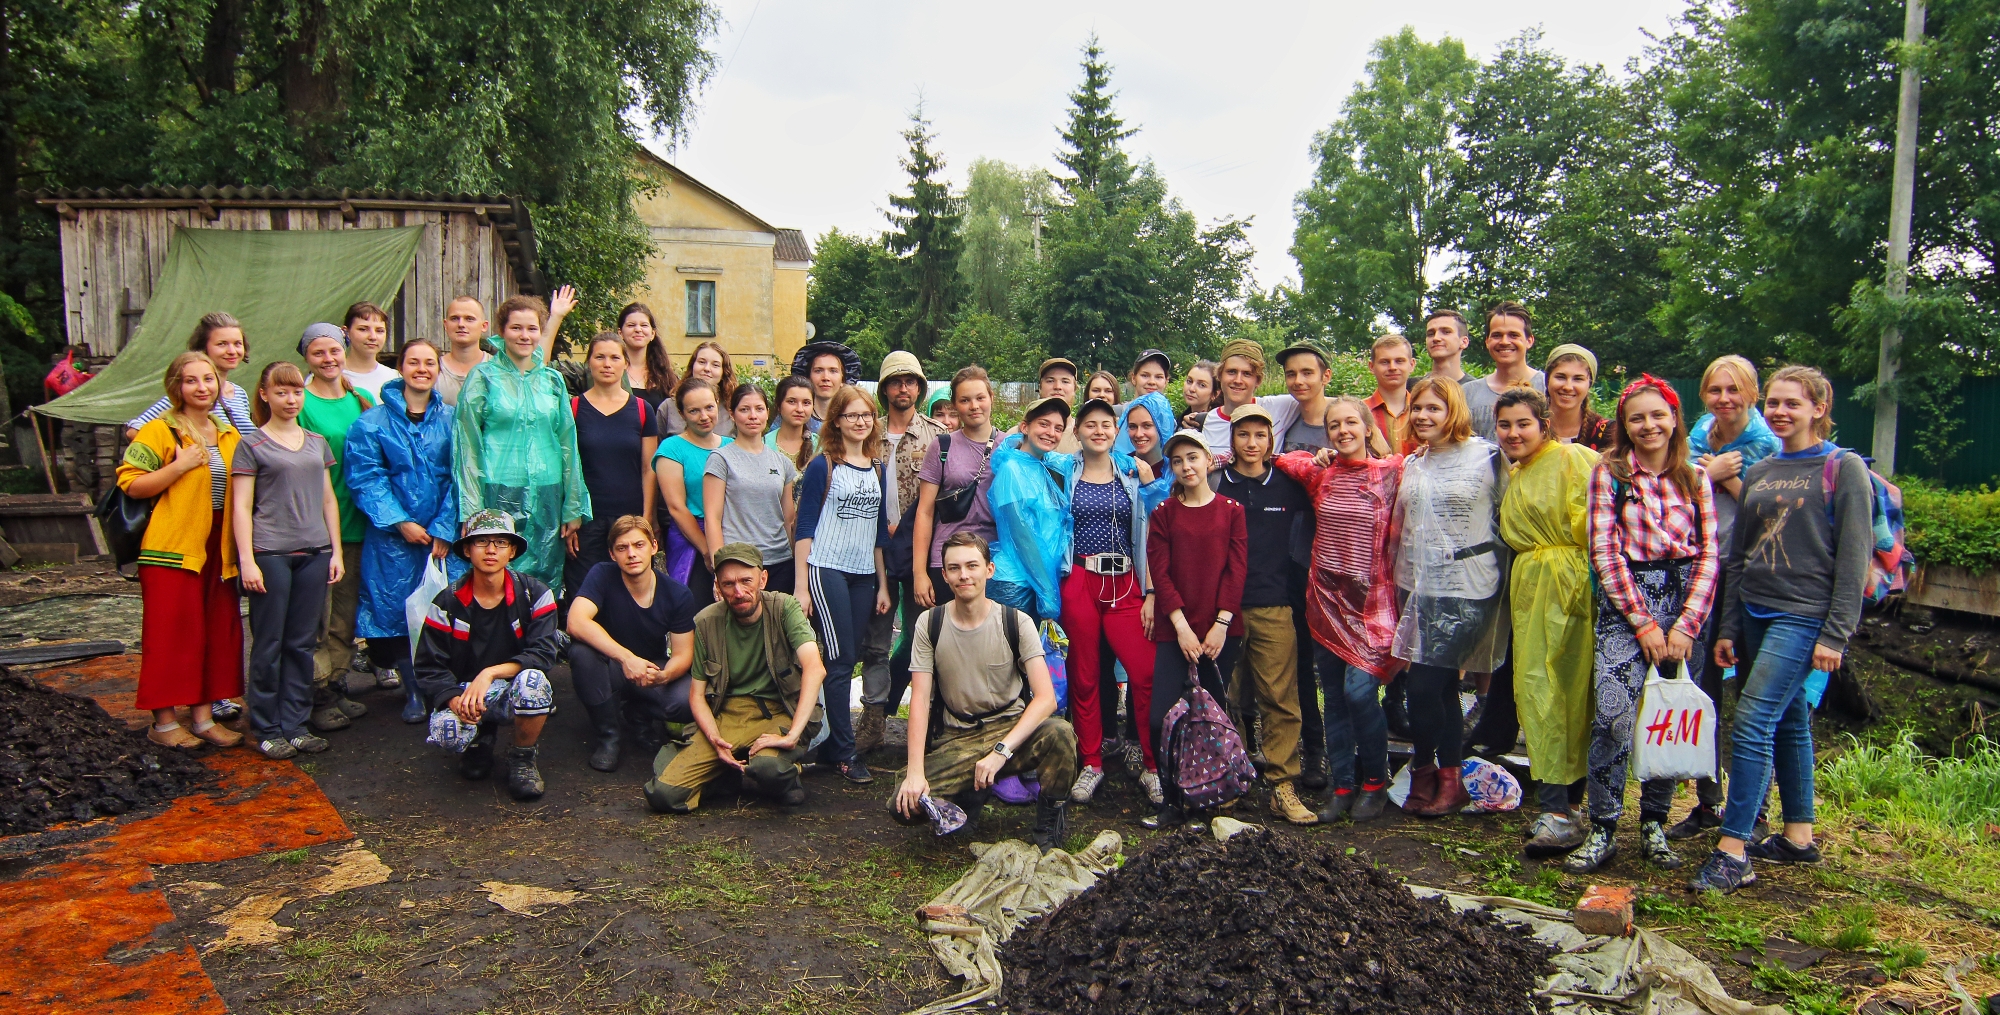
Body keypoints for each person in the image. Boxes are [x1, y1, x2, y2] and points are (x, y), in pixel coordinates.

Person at [1690, 366, 1868, 894]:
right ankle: (1797, 836)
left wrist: (1836, 634)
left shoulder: (1843, 467)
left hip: (1803, 614)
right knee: (1789, 723)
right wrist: (1729, 625)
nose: (1780, 411)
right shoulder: (1763, 469)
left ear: (1818, 407)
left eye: (1793, 402)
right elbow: (1741, 556)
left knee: (1749, 722)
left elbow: (1854, 558)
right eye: (1773, 402)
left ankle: (1734, 847)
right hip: (1756, 614)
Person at [1563, 375, 1720, 874]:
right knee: (1613, 715)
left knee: (1666, 715)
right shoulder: (1610, 475)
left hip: (1684, 601)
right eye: (1637, 418)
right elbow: (1604, 552)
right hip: (1626, 600)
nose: (1649, 425)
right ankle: (1604, 824)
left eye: (1658, 415)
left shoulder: (1697, 478)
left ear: (1674, 418)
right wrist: (1642, 623)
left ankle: (1653, 821)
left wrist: (1686, 625)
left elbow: (1711, 553)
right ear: (1625, 426)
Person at [890, 533, 1078, 849]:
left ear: (989, 570)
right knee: (903, 804)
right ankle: (968, 800)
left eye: (972, 566)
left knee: (1060, 735)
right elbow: (920, 701)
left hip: (1014, 732)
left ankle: (1048, 825)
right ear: (945, 575)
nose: (964, 575)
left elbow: (1046, 698)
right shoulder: (929, 623)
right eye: (955, 568)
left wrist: (1001, 751)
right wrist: (915, 773)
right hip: (959, 737)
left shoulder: (1016, 622)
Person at [123, 313, 253, 726]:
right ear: (175, 387)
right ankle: (164, 724)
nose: (202, 387)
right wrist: (178, 467)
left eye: (208, 380)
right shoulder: (161, 430)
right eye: (191, 380)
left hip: (219, 544)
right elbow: (131, 483)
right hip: (173, 544)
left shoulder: (226, 431)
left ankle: (203, 720)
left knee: (212, 633)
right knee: (171, 635)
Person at [1669, 354, 1780, 839]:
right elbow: (1673, 492)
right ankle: (1707, 801)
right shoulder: (1695, 441)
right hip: (1700, 570)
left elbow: (1772, 513)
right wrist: (1707, 475)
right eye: (1715, 390)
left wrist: (1726, 477)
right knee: (1701, 688)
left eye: (1734, 390)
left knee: (1753, 698)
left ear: (1751, 394)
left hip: (1750, 574)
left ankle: (1754, 809)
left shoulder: (1767, 445)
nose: (1724, 399)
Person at [1274, 397, 1400, 822]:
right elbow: (1279, 457)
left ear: (1368, 428)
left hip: (1372, 607)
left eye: (1351, 423)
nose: (1343, 431)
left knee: (1359, 693)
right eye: (1334, 425)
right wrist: (1313, 453)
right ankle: (1342, 783)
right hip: (1326, 603)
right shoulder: (1321, 473)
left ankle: (1375, 782)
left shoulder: (1392, 474)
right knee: (1334, 697)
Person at [1391, 376, 1510, 818]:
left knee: (1425, 685)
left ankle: (1426, 770)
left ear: (1453, 411)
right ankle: (1447, 778)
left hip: (1467, 588)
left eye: (1433, 408)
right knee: (1438, 688)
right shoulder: (1414, 463)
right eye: (1417, 408)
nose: (1423, 416)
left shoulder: (1487, 458)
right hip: (1420, 585)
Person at [1489, 389, 1599, 856]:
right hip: (1532, 586)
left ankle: (1570, 805)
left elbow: (1597, 523)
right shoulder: (1518, 471)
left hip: (1572, 586)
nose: (1513, 433)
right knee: (1539, 689)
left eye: (1522, 424)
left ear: (1544, 423)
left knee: (1570, 691)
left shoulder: (1573, 459)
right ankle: (1559, 804)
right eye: (1505, 425)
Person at [642, 543, 827, 814]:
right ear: (717, 586)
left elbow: (815, 668)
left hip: (777, 712)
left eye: (746, 581)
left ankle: (785, 778)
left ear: (762, 579)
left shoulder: (785, 608)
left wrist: (793, 735)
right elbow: (697, 695)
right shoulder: (706, 622)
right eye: (728, 584)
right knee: (664, 794)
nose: (738, 592)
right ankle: (723, 775)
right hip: (726, 716)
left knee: (769, 768)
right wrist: (714, 738)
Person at [343, 339, 462, 724]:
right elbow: (365, 478)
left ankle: (443, 687)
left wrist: (444, 527)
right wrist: (400, 521)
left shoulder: (452, 420)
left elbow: (461, 476)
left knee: (444, 609)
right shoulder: (372, 423)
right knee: (398, 613)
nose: (422, 369)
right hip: (393, 538)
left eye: (429, 362)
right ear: (401, 368)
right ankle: (413, 691)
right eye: (414, 362)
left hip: (442, 537)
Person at [233, 362, 346, 759]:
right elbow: (242, 505)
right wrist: (247, 559)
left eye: (296, 391)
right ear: (264, 395)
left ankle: (296, 725)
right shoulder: (252, 444)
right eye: (280, 392)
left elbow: (328, 498)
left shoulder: (316, 442)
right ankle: (265, 726)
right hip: (271, 553)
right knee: (269, 643)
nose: (290, 399)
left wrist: (335, 550)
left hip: (314, 552)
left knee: (302, 643)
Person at [1209, 405, 1315, 826]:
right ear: (1231, 439)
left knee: (1279, 696)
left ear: (1271, 440)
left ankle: (1282, 785)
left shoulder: (1288, 485)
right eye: (1243, 435)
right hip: (1224, 607)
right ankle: (1226, 780)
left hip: (1274, 602)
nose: (1251, 444)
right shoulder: (1217, 481)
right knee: (1226, 695)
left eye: (1260, 435)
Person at [413, 511, 561, 801]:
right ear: (467, 550)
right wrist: (455, 699)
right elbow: (429, 666)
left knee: (534, 683)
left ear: (513, 551)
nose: (491, 550)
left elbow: (544, 654)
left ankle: (522, 756)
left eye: (500, 542)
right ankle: (479, 741)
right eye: (481, 542)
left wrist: (489, 673)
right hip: (467, 694)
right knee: (446, 732)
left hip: (511, 687)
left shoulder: (535, 594)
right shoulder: (446, 602)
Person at [1141, 429, 1248, 827]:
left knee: (1214, 716)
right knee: (1163, 718)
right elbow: (1161, 572)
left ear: (1207, 460)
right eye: (1178, 461)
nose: (1186, 466)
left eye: (1193, 457)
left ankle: (1213, 797)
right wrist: (1181, 627)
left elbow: (1236, 571)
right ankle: (1171, 800)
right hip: (1176, 631)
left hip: (1220, 631)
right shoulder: (1164, 513)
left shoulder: (1232, 510)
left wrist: (1221, 623)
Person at [455, 295, 591, 597]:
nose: (524, 335)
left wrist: (573, 505)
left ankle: (540, 640)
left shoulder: (552, 381)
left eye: (532, 328)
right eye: (516, 328)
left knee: (544, 574)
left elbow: (567, 443)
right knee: (496, 572)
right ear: (502, 331)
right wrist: (471, 508)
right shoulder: (483, 377)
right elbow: (467, 445)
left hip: (548, 491)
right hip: (496, 489)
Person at [1059, 398, 1157, 805]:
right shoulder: (1063, 473)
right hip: (1080, 578)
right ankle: (1091, 762)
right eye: (1090, 424)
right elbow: (1017, 447)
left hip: (1125, 582)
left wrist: (1150, 591)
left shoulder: (1134, 474)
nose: (1098, 430)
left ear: (1115, 431)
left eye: (1106, 424)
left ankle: (1153, 765)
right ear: (1077, 431)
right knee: (1084, 675)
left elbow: (1151, 535)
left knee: (1144, 672)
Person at [794, 385, 891, 784]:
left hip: (863, 574)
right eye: (851, 415)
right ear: (836, 420)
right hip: (825, 567)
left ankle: (834, 744)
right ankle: (845, 752)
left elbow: (879, 535)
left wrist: (883, 585)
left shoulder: (877, 467)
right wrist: (802, 586)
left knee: (851, 656)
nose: (860, 422)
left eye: (866, 415)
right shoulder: (823, 465)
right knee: (838, 658)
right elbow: (804, 527)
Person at [858, 351, 947, 755]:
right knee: (875, 640)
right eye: (895, 382)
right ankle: (873, 722)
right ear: (884, 389)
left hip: (917, 553)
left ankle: (924, 723)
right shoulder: (865, 432)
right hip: (871, 550)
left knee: (920, 636)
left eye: (910, 381)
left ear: (920, 387)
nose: (903, 388)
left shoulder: (935, 436)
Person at [567, 516, 698, 772]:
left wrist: (662, 676)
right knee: (581, 654)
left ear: (653, 546)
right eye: (622, 548)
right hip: (610, 666)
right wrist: (626, 658)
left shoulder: (677, 594)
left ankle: (640, 714)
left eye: (639, 545)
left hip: (651, 667)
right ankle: (608, 736)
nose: (631, 554)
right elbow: (576, 621)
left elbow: (684, 654)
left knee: (686, 699)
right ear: (612, 554)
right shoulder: (602, 574)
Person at [297, 323, 374, 730]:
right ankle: (314, 693)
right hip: (316, 525)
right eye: (318, 353)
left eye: (334, 351)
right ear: (306, 357)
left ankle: (337, 683)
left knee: (345, 615)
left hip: (356, 522)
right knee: (317, 617)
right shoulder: (301, 403)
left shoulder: (360, 400)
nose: (328, 359)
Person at [567, 333, 660, 606]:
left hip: (629, 518)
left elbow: (648, 469)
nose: (607, 364)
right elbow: (568, 468)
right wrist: (570, 517)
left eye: (614, 357)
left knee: (631, 595)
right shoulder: (573, 408)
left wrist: (647, 518)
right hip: (586, 521)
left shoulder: (642, 410)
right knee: (584, 595)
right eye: (600, 357)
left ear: (625, 364)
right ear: (589, 363)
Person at [912, 367, 1000, 610]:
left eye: (980, 398)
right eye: (965, 400)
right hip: (947, 558)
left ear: (991, 398)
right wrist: (919, 573)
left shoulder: (1010, 447)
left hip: (995, 559)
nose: (974, 406)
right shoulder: (942, 446)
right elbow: (925, 512)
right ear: (955, 405)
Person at [704, 383, 799, 592]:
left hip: (780, 561)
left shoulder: (781, 462)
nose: (752, 416)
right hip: (739, 562)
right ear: (732, 414)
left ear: (768, 413)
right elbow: (713, 518)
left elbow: (788, 519)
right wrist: (720, 567)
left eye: (759, 409)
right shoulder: (721, 459)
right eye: (744, 409)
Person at [987, 396, 1074, 619]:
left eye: (1058, 428)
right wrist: (1047, 592)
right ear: (1025, 427)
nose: (1051, 433)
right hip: (1015, 585)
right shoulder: (1012, 470)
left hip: (1039, 580)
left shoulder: (1045, 466)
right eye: (1043, 424)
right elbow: (1022, 535)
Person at [655, 378, 732, 603]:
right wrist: (707, 550)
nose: (704, 416)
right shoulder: (672, 448)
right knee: (697, 607)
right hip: (691, 538)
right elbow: (676, 507)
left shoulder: (731, 445)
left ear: (717, 403)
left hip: (729, 532)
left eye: (709, 407)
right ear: (681, 413)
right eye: (694, 410)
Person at [124, 312, 254, 439]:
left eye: (237, 344)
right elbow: (134, 431)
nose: (232, 351)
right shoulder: (192, 393)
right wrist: (178, 456)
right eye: (222, 344)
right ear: (203, 348)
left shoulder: (239, 394)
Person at [1197, 339, 1298, 457]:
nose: (1238, 380)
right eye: (1232, 372)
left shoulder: (1279, 408)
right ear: (1220, 375)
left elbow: (1318, 402)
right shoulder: (1206, 423)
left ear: (1258, 380)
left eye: (1247, 374)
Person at [1462, 301, 1546, 440]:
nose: (1505, 341)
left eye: (1513, 335)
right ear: (1487, 341)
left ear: (1529, 341)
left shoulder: (1547, 387)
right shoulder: (1468, 394)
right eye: (1497, 335)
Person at [1544, 344, 1613, 450]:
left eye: (1578, 379)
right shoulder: (1526, 425)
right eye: (1560, 377)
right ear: (1547, 380)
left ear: (1589, 384)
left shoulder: (1606, 433)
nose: (1568, 387)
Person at [664, 342, 738, 438]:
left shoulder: (734, 408)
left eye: (715, 365)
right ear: (692, 366)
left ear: (724, 372)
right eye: (702, 362)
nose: (707, 369)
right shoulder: (669, 406)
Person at [1364, 334, 1419, 456]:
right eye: (1385, 362)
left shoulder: (1425, 411)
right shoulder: (1358, 412)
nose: (1393, 367)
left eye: (1399, 361)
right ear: (1371, 367)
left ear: (1412, 364)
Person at [791, 340, 860, 434]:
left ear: (843, 379)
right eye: (818, 371)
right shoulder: (793, 415)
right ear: (808, 377)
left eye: (833, 371)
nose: (826, 378)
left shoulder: (856, 418)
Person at [616, 302, 676, 410]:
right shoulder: (610, 371)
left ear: (653, 334)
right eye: (631, 325)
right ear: (620, 333)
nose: (638, 329)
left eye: (644, 325)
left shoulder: (666, 377)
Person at [1277, 344, 1333, 455]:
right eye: (1291, 374)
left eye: (1307, 373)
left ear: (1326, 376)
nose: (1298, 381)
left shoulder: (1348, 419)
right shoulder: (1283, 418)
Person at [436, 296, 490, 407]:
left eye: (469, 319)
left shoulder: (498, 369)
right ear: (445, 325)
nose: (461, 324)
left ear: (484, 326)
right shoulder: (433, 370)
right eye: (454, 318)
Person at [340, 302, 400, 402]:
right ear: (346, 332)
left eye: (379, 330)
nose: (373, 337)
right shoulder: (328, 376)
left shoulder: (395, 378)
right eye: (363, 329)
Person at [768, 375, 819, 472]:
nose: (800, 409)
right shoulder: (764, 445)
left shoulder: (820, 446)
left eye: (806, 403)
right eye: (792, 402)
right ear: (778, 405)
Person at [1421, 309, 1471, 387]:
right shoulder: (1411, 388)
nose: (1436, 338)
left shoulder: (1475, 391)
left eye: (1446, 332)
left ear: (1464, 342)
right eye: (1431, 334)